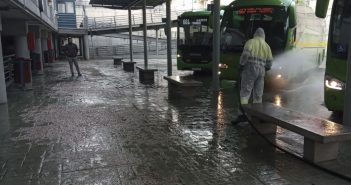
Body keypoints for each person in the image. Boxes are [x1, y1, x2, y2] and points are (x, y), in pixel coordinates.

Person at [232, 28, 273, 124]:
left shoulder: (250, 42)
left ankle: (242, 114)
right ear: (263, 36)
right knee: (258, 95)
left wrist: (241, 65)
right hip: (262, 71)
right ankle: (257, 115)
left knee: (245, 93)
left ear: (255, 34)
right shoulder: (267, 46)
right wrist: (265, 68)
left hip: (250, 69)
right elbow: (270, 62)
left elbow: (245, 54)